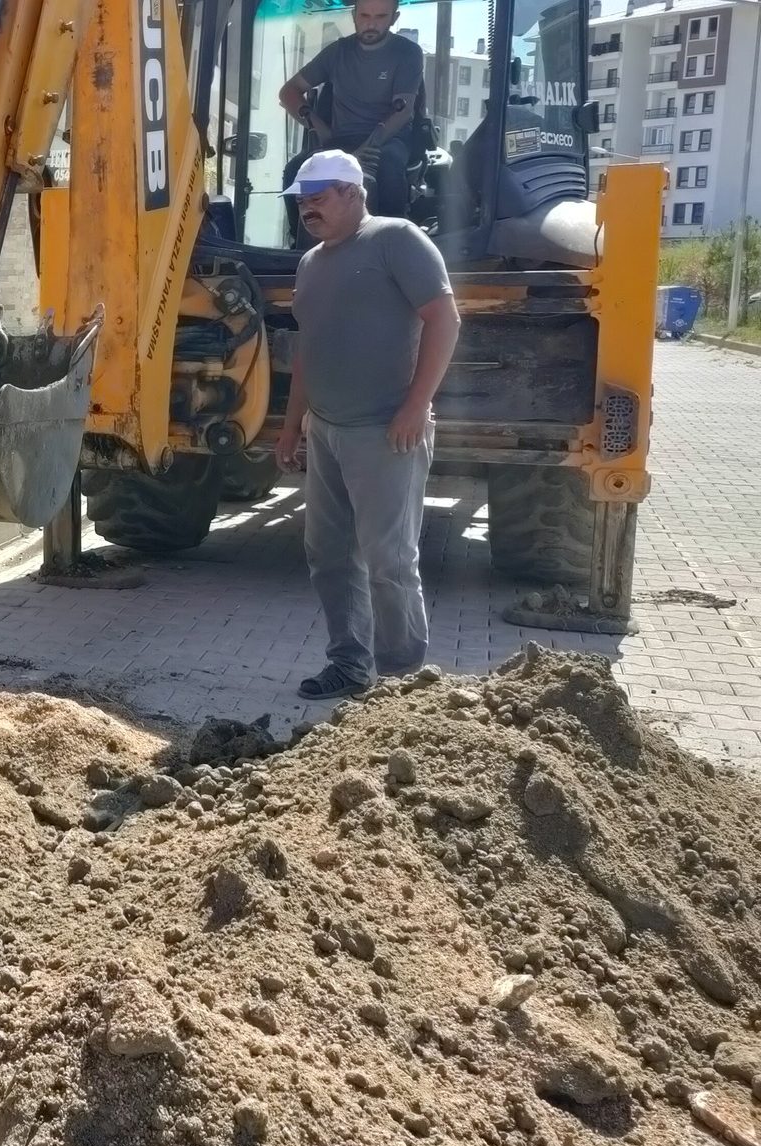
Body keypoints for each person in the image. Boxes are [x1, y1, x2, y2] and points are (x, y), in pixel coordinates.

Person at [275, 151, 460, 700]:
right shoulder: (312, 264)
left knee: (389, 560)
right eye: (302, 200)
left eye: (320, 196)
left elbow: (445, 317)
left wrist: (416, 406)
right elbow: (307, 351)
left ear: (354, 193)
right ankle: (350, 665)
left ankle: (403, 685)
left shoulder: (395, 239)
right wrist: (290, 428)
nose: (308, 208)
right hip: (326, 430)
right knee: (328, 553)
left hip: (386, 431)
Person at [277, 0, 425, 231]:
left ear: (394, 19)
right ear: (354, 15)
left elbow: (403, 111)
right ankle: (299, 244)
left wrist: (364, 150)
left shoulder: (408, 53)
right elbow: (289, 92)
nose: (371, 24)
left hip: (387, 140)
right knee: (296, 170)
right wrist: (320, 129)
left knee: (389, 167)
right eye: (365, 16)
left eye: (380, 17)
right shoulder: (337, 52)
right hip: (341, 141)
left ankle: (395, 238)